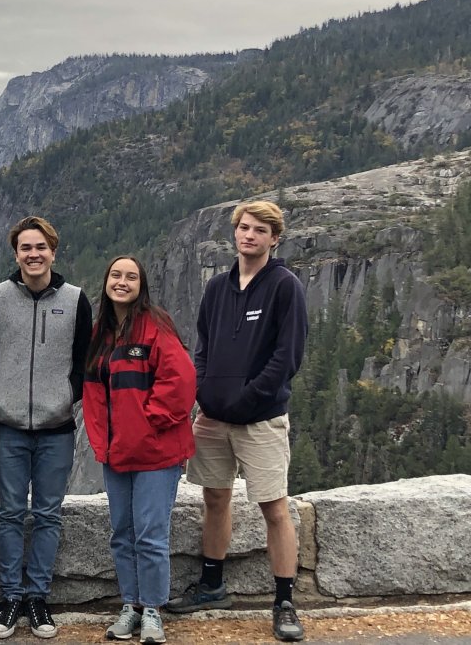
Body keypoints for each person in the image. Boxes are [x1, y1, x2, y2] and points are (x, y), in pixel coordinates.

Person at [165, 201, 308, 643]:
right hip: (212, 418)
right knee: (215, 499)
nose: (249, 235)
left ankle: (284, 600)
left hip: (261, 419)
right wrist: (205, 390)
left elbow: (288, 356)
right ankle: (212, 585)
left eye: (260, 230)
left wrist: (249, 398)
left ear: (274, 238)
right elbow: (202, 344)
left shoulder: (285, 286)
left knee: (275, 508)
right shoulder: (216, 288)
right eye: (244, 228)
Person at [0, 217, 92, 640]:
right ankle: (10, 597)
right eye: (25, 247)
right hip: (8, 426)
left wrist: (67, 395)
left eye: (40, 247)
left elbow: (84, 356)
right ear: (16, 254)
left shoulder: (76, 300)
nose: (33, 254)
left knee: (48, 514)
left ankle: (37, 597)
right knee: (9, 514)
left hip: (57, 427)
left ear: (53, 251)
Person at [82, 256, 196, 645]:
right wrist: (104, 441)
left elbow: (179, 380)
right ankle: (130, 604)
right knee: (122, 532)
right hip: (117, 453)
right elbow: (95, 395)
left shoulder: (155, 325)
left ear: (140, 285)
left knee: (150, 534)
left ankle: (152, 609)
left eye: (131, 277)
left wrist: (149, 423)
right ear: (106, 282)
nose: (122, 282)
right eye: (116, 275)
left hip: (155, 452)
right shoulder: (101, 333)